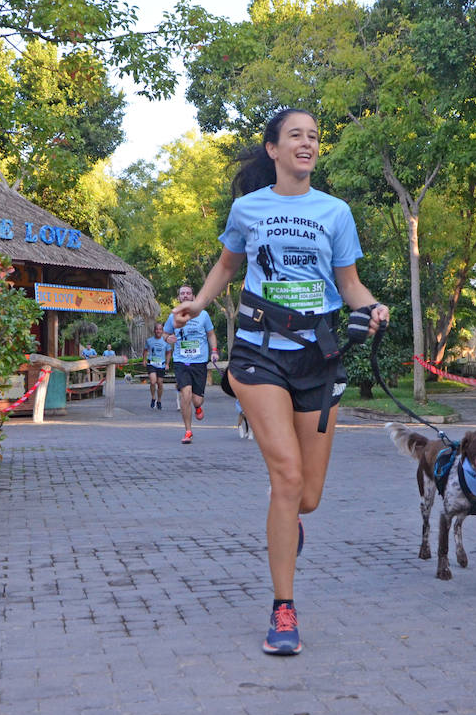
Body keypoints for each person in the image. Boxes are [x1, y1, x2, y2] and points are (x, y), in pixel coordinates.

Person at [170, 107, 388, 657]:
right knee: (287, 476)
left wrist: (375, 309)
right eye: (296, 135)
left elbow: (351, 285)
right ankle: (283, 608)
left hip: (318, 356)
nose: (307, 143)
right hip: (258, 352)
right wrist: (196, 305)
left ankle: (287, 519)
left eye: (314, 136)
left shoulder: (335, 212)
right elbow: (226, 266)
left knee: (306, 498)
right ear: (272, 149)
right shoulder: (249, 208)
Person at [163, 285, 219, 444]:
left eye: (188, 293)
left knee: (196, 400)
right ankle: (188, 431)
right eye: (182, 293)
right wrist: (168, 339)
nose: (185, 295)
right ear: (179, 297)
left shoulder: (204, 315)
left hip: (199, 361)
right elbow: (166, 333)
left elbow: (211, 334)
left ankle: (199, 407)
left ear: (193, 297)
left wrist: (214, 351)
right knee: (185, 394)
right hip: (181, 360)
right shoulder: (173, 316)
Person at [142, 322, 171, 410]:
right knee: (153, 381)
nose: (158, 331)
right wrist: (144, 359)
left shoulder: (166, 341)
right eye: (157, 329)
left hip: (161, 365)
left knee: (160, 383)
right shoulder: (149, 340)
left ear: (162, 331)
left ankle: (159, 400)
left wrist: (167, 363)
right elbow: (146, 350)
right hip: (152, 364)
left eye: (160, 329)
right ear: (154, 330)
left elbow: (169, 352)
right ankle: (153, 397)